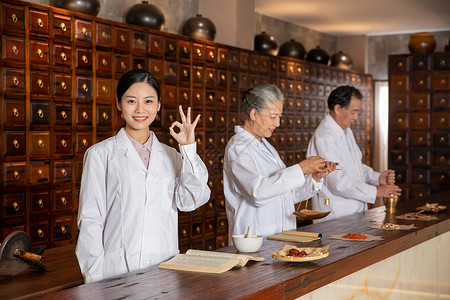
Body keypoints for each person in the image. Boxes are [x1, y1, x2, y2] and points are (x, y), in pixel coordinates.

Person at [75, 69, 210, 283]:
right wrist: (95, 276)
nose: (140, 109)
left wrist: (188, 149)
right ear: (119, 104)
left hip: (164, 268)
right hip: (116, 271)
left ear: (157, 106)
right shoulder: (100, 154)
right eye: (131, 101)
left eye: (148, 101)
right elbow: (91, 219)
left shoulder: (172, 155)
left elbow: (190, 201)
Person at [223, 84, 337, 242]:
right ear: (254, 114)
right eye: (273, 116)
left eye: (279, 117)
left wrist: (314, 178)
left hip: (281, 233)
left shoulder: (265, 146)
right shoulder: (238, 148)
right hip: (254, 237)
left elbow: (285, 193)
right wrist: (302, 168)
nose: (277, 123)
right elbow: (258, 192)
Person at [307, 85, 401, 222]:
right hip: (336, 217)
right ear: (338, 108)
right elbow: (337, 181)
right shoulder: (325, 137)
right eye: (353, 112)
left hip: (354, 214)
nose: (356, 117)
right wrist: (375, 191)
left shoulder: (345, 131)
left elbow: (356, 166)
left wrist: (377, 178)